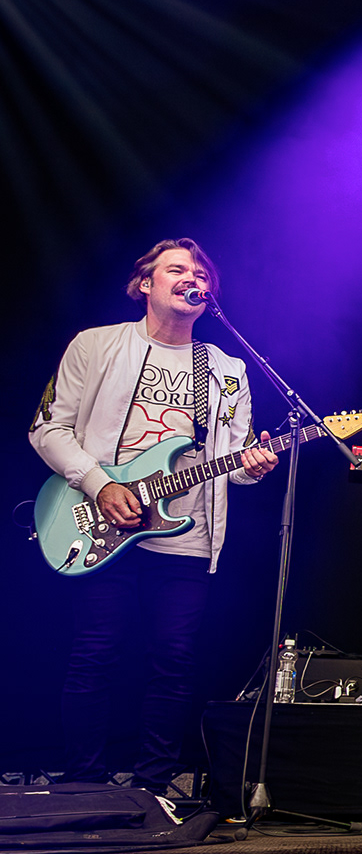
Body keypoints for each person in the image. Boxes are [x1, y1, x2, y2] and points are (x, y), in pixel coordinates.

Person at [29, 239, 277, 794]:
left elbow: (232, 463)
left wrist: (254, 466)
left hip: (185, 538)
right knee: (94, 653)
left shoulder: (226, 369)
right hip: (98, 521)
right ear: (146, 283)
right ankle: (84, 784)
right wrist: (99, 485)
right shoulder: (96, 345)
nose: (193, 278)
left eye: (200, 273)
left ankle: (154, 785)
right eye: (177, 269)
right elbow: (47, 428)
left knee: (174, 660)